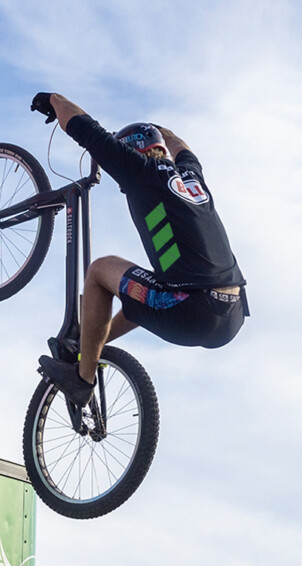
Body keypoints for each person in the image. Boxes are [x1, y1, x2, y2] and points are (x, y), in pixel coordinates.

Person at [30, 92, 247, 406]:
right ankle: (85, 346)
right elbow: (178, 143)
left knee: (100, 270)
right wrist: (160, 132)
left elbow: (81, 126)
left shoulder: (139, 171)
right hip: (231, 313)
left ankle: (81, 380)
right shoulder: (191, 177)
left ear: (133, 150)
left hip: (194, 310)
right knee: (145, 291)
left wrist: (53, 99)